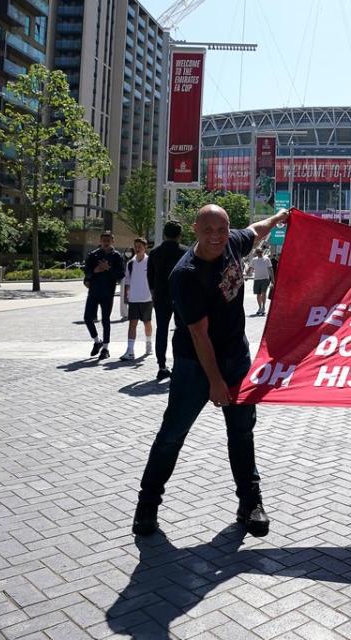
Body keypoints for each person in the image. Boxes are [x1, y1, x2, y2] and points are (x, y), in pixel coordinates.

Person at [131, 204, 290, 537]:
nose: (217, 237)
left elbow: (256, 229)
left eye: (222, 229)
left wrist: (279, 218)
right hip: (195, 365)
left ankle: (250, 502)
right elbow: (199, 335)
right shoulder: (185, 274)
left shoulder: (232, 241)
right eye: (209, 231)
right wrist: (216, 383)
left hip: (236, 357)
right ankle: (147, 504)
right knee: (173, 434)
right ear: (195, 230)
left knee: (242, 432)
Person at [148, 220, 187, 380]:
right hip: (180, 296)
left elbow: (150, 276)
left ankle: (161, 365)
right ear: (180, 235)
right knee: (182, 330)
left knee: (161, 330)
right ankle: (180, 363)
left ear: (164, 233)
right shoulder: (185, 251)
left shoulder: (155, 252)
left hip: (160, 296)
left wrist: (153, 292)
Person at [83, 230, 126, 360]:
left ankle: (106, 348)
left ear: (112, 241)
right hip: (94, 292)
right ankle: (97, 341)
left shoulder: (117, 256)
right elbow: (86, 271)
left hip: (108, 293)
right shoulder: (94, 255)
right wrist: (94, 271)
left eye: (108, 240)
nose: (106, 243)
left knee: (105, 320)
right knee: (87, 317)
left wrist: (109, 269)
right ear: (100, 241)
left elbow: (121, 275)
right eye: (104, 240)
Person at [120, 238, 154, 361]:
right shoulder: (130, 263)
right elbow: (127, 283)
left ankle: (149, 344)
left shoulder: (150, 261)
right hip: (134, 299)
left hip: (147, 298)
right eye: (136, 246)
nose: (137, 248)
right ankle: (130, 351)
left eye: (140, 246)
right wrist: (126, 297)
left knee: (147, 323)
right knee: (132, 324)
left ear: (145, 247)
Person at [249, 247, 274, 316]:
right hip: (257, 279)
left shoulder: (266, 259)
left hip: (265, 278)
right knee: (258, 294)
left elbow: (270, 269)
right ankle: (260, 307)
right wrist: (247, 274)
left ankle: (263, 307)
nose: (259, 253)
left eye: (260, 252)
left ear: (262, 252)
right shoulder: (254, 260)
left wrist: (272, 279)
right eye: (258, 252)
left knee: (263, 293)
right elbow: (250, 268)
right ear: (256, 253)